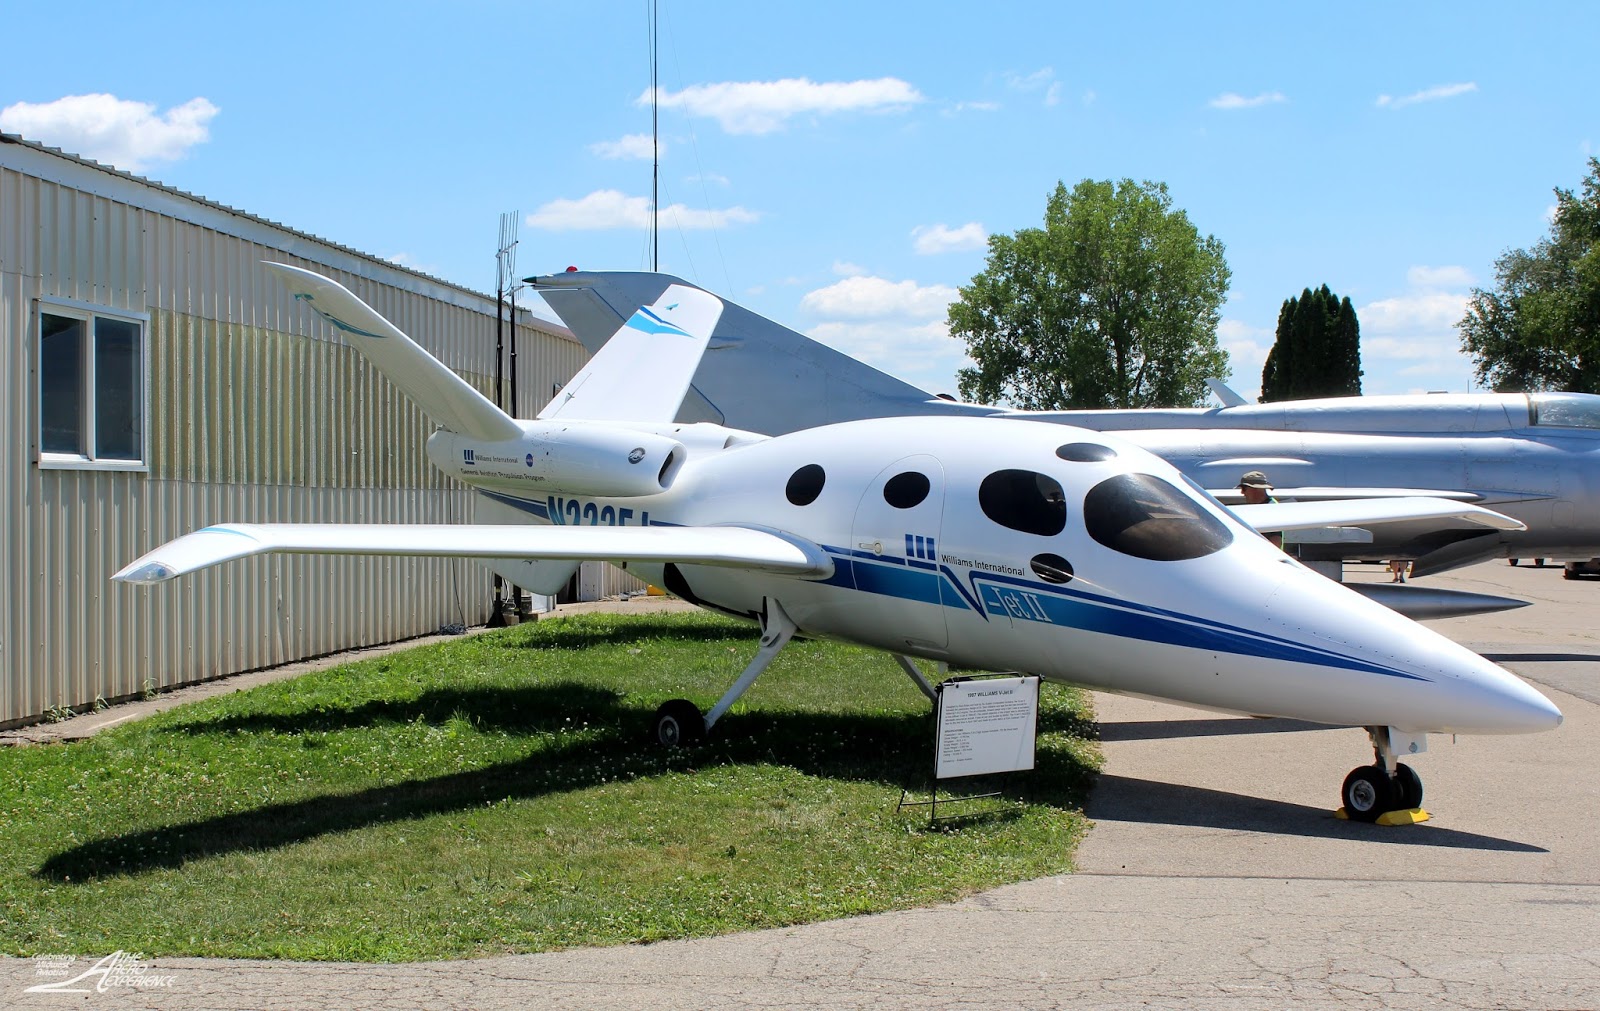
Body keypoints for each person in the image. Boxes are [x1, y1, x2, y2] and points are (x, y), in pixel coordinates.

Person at [1238, 470, 1283, 548]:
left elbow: (1276, 540)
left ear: (1255, 489)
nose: (1242, 493)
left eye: (1244, 488)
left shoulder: (1270, 509)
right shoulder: (1263, 506)